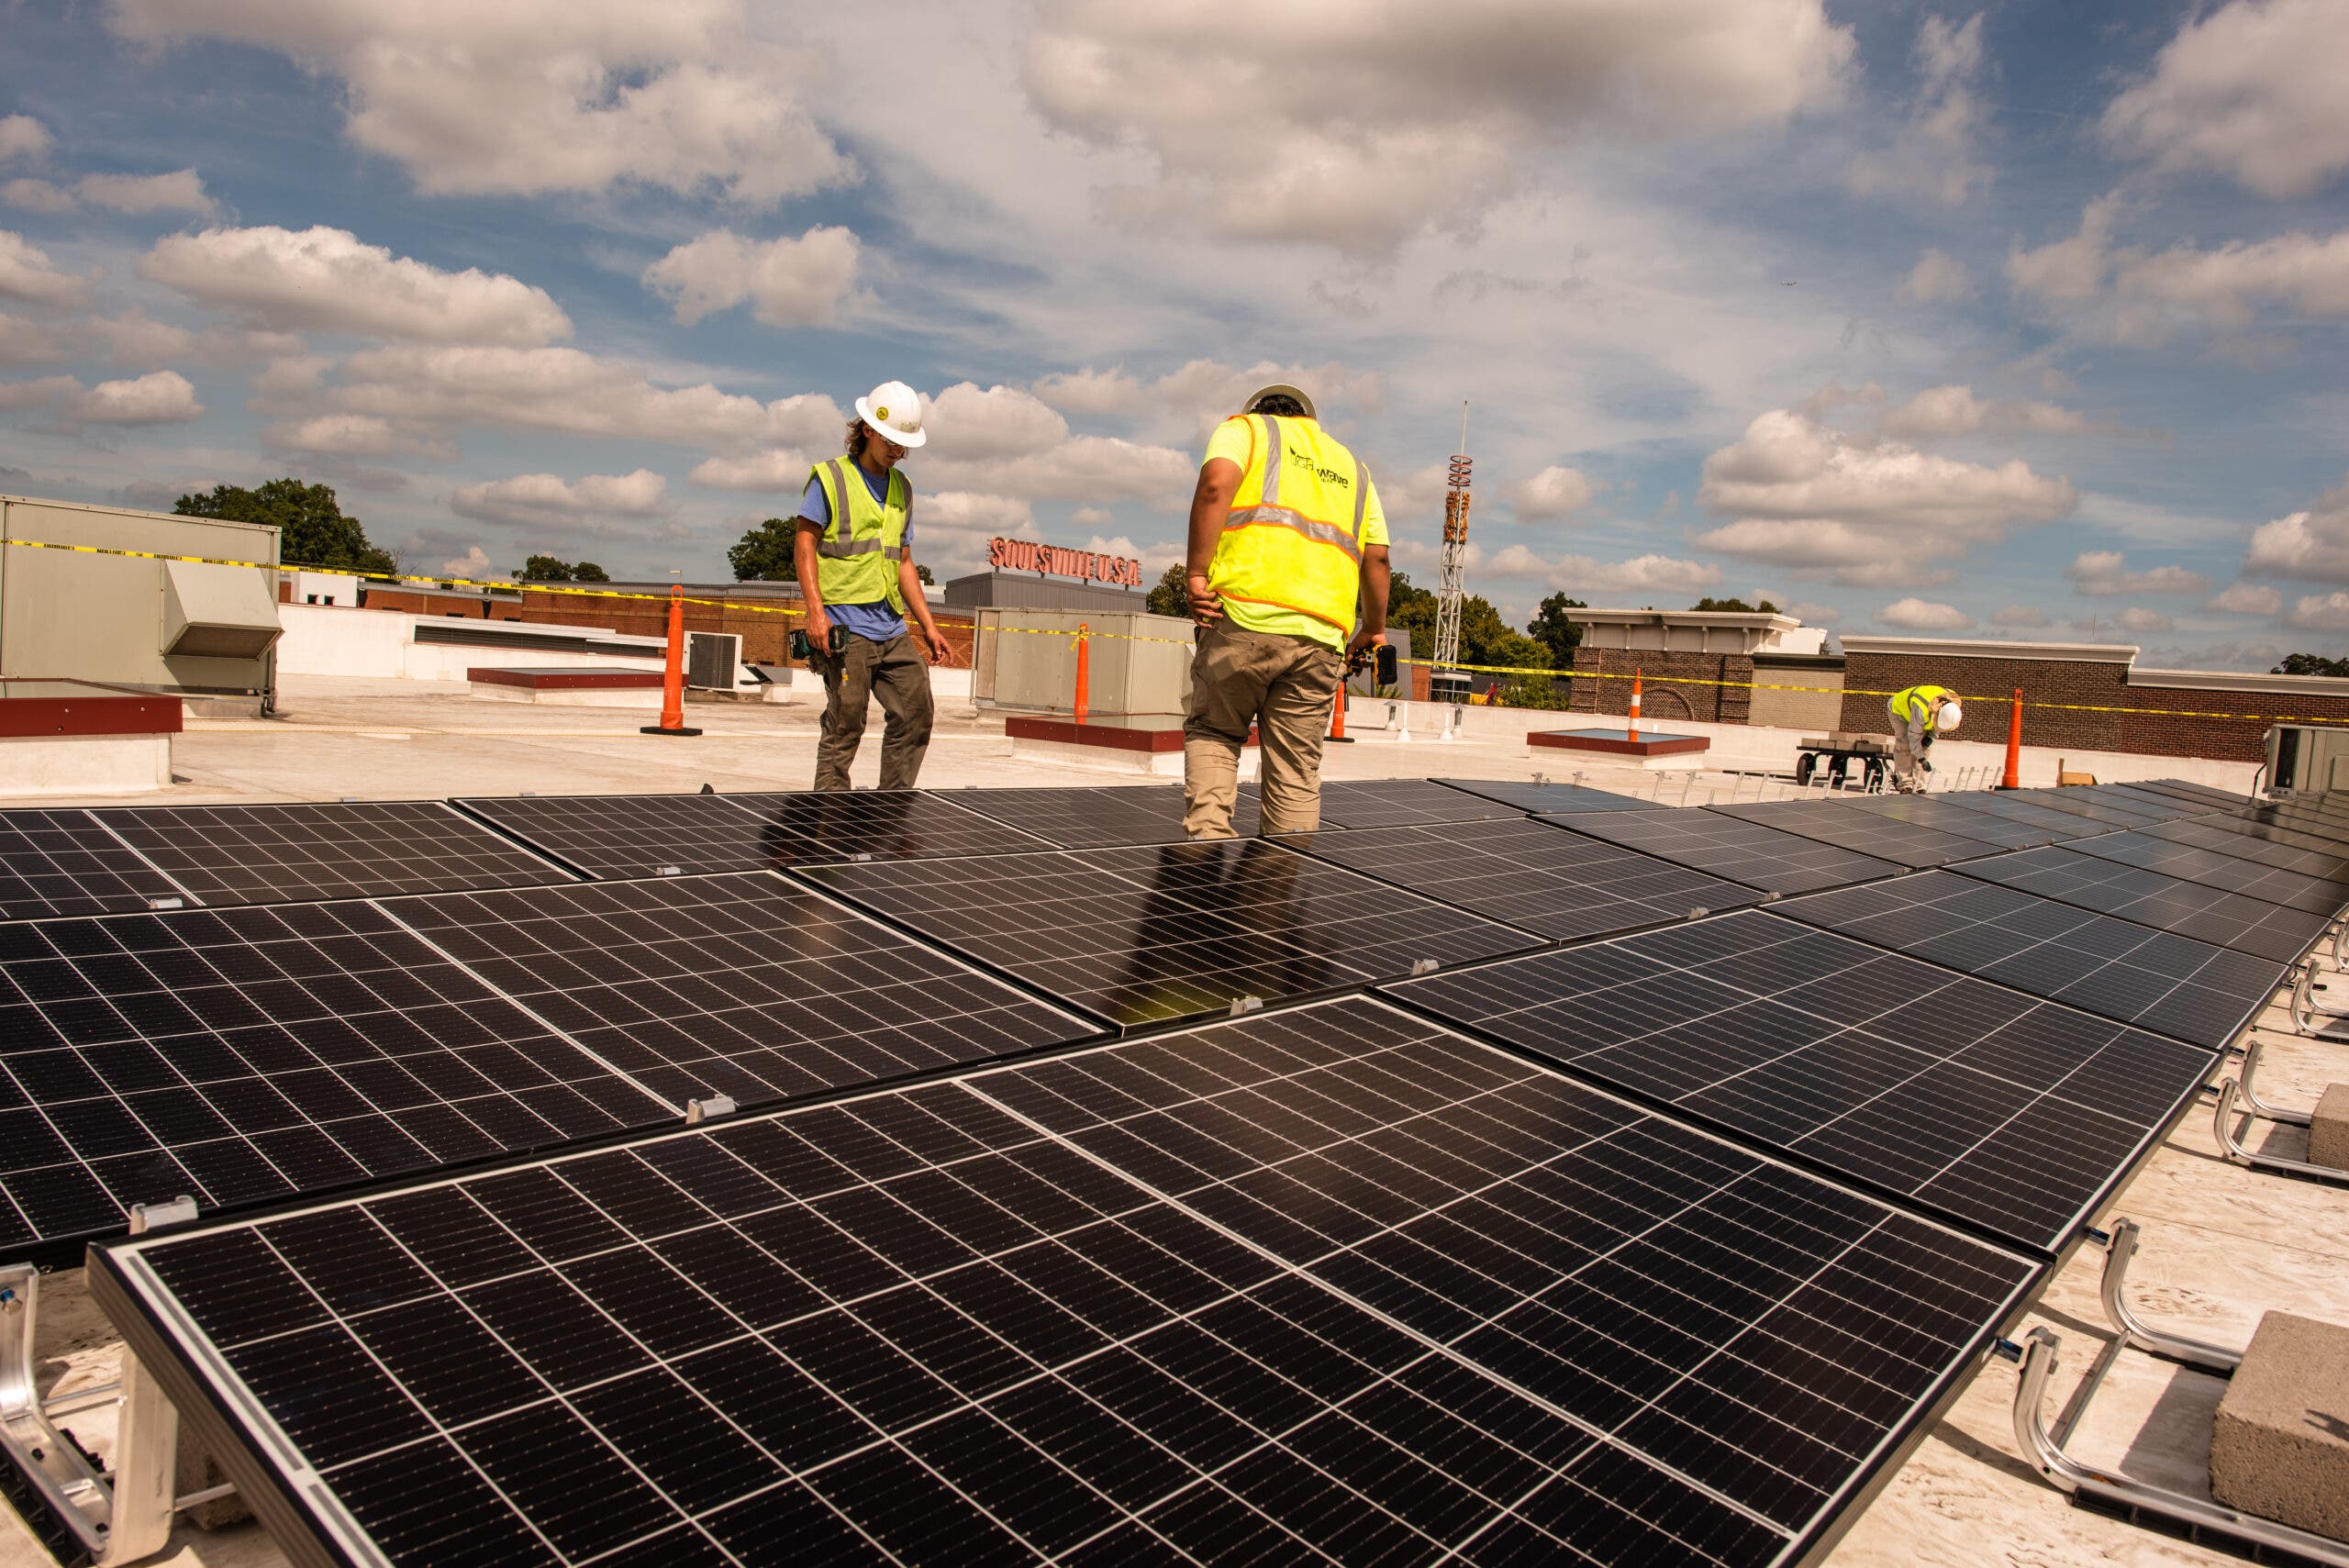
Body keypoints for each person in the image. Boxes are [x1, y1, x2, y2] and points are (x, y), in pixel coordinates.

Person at [1180, 384, 1391, 838]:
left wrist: (1196, 574)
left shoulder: (1245, 431)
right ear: (1308, 419)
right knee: (1296, 773)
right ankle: (1274, 894)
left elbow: (1215, 486)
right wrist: (1373, 629)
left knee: (1215, 734)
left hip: (1240, 620)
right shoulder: (1355, 468)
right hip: (1321, 638)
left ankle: (1202, 862)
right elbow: (1377, 558)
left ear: (1258, 411)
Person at [795, 380, 953, 792]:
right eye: (891, 441)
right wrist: (816, 612)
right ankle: (827, 825)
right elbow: (805, 544)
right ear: (867, 429)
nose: (898, 451)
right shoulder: (829, 478)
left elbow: (902, 561)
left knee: (915, 711)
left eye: (904, 445)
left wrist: (928, 627)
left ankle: (889, 811)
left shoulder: (902, 488)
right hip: (845, 626)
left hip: (891, 625)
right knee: (846, 722)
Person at [1887, 683, 1962, 792]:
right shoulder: (1921, 709)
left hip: (1923, 713)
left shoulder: (1952, 703)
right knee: (1905, 745)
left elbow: (1939, 726)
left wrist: (1931, 737)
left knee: (1925, 747)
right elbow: (1913, 737)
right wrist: (1922, 759)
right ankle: (1905, 784)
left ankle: (1918, 784)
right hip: (1899, 711)